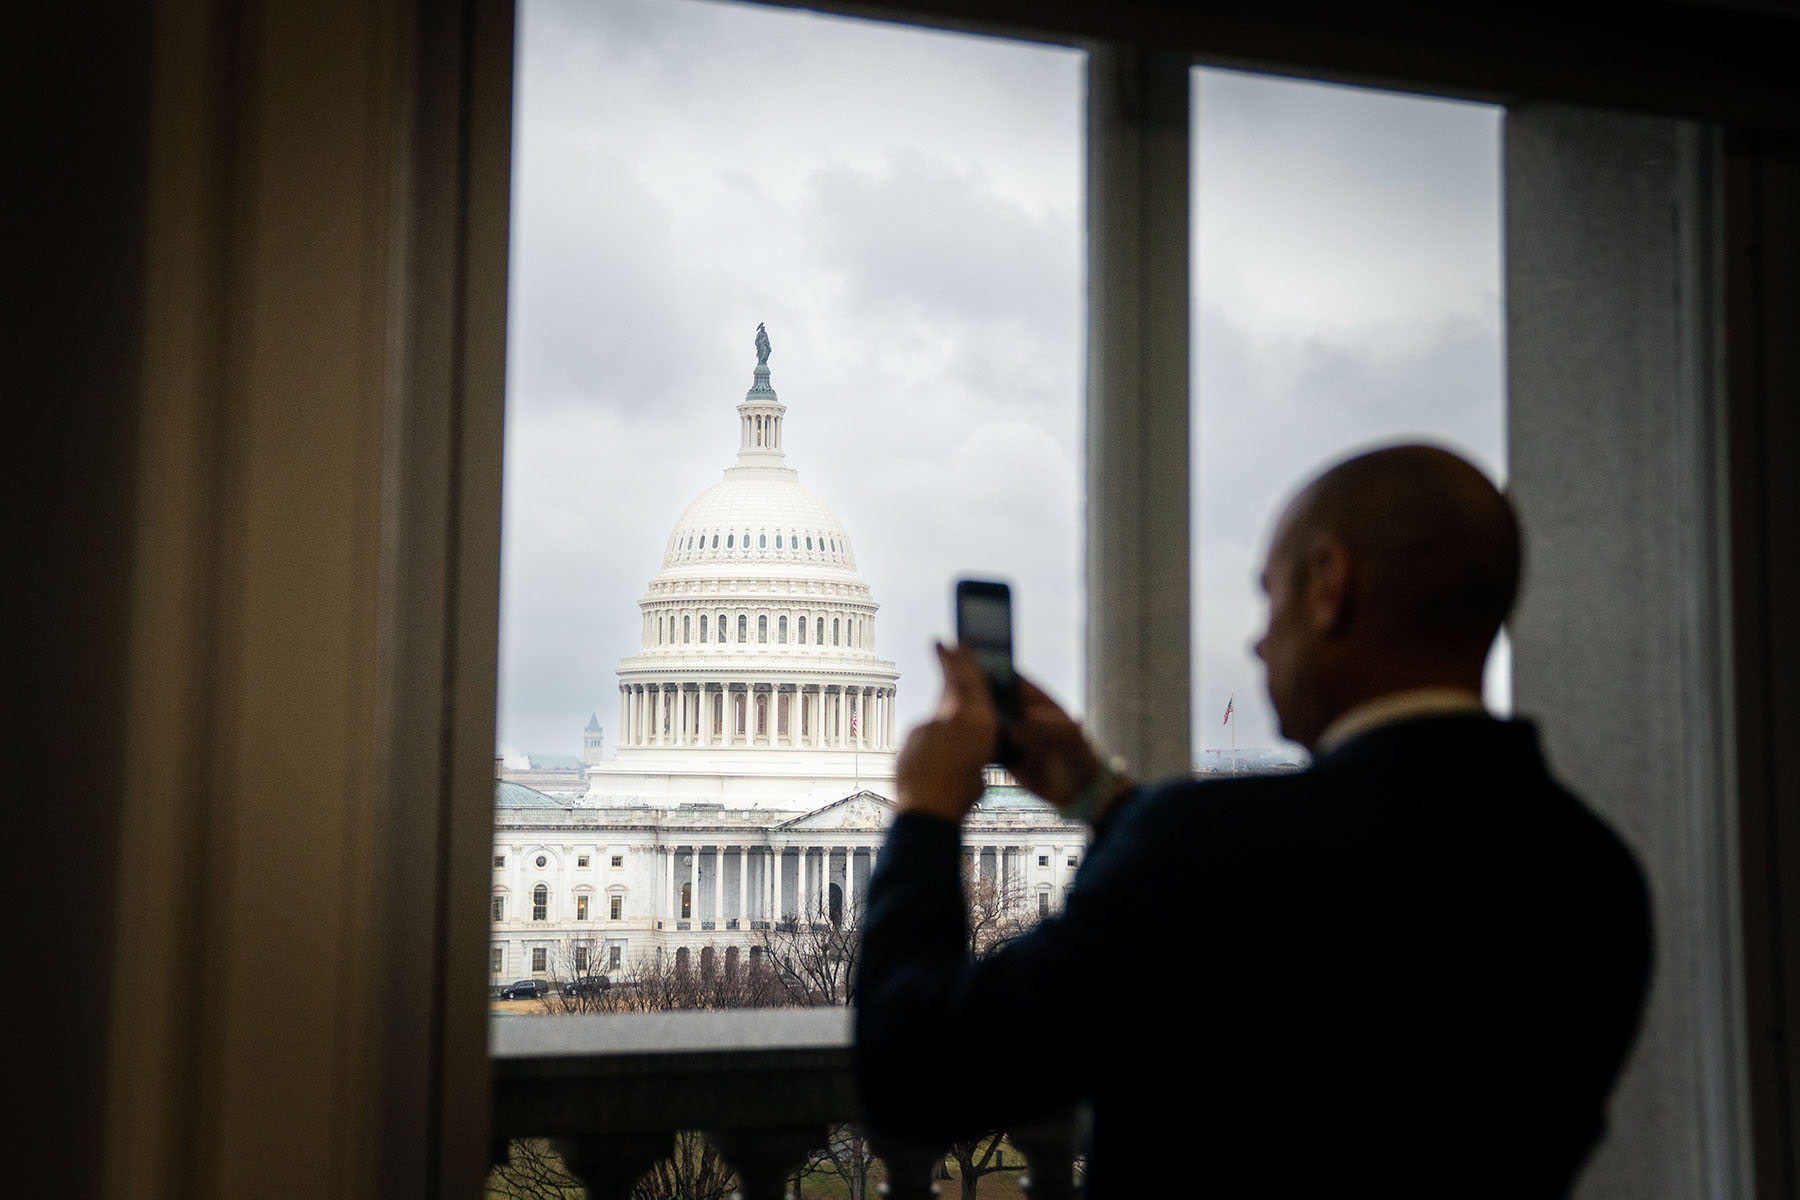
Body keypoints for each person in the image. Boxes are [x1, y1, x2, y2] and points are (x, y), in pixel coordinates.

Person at [854, 444, 1651, 1198]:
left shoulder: (1209, 852)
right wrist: (1100, 797)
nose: (1259, 642)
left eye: (1270, 595)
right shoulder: (1595, 872)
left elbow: (913, 1075)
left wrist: (925, 818)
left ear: (1330, 585)